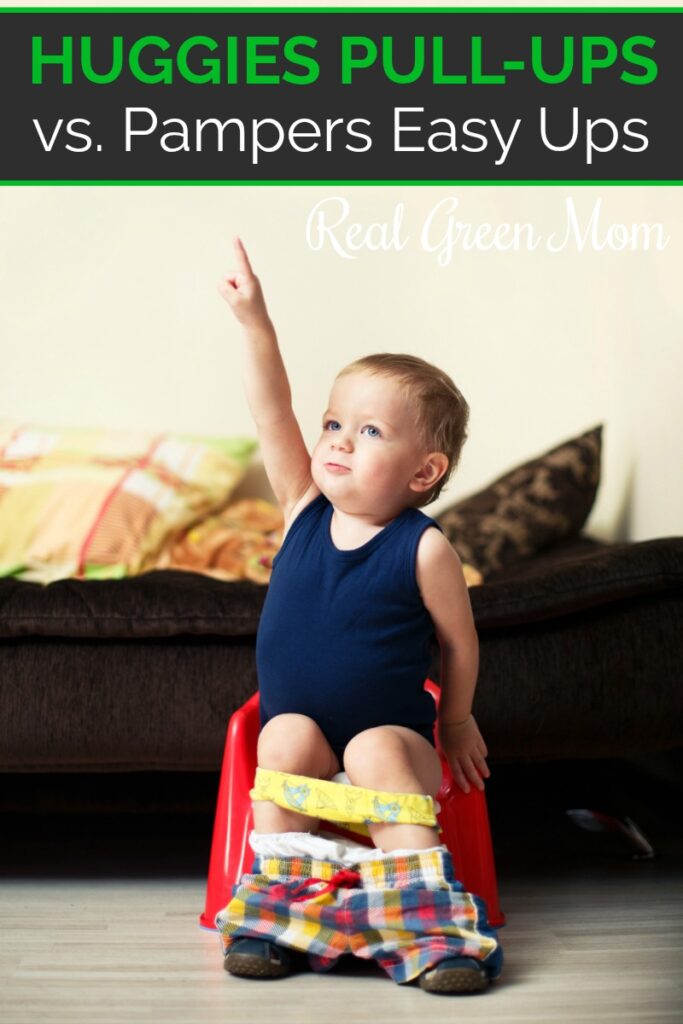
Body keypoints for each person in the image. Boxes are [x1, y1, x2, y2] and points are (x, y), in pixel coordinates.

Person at [215, 238, 502, 994]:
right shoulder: (301, 508)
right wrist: (254, 322)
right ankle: (276, 914)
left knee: (374, 752)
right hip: (302, 732)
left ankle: (427, 928)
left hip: (395, 739)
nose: (339, 440)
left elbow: (458, 643)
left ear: (422, 471)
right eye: (334, 424)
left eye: (369, 431)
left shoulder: (422, 549)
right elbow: (270, 408)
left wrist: (460, 721)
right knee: (279, 736)